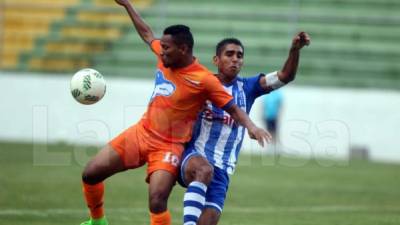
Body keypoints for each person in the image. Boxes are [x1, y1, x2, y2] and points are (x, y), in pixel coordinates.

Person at [79, 1, 272, 225]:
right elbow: (146, 33)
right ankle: (98, 222)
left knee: (157, 200)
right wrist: (127, 5)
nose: (161, 51)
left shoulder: (204, 80)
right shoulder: (165, 57)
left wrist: (252, 127)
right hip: (141, 133)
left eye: (167, 48)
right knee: (90, 174)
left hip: (168, 146)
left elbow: (233, 108)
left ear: (183, 49)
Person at [179, 33, 311, 225]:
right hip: (194, 156)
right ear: (216, 60)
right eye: (229, 54)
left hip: (222, 168)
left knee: (209, 220)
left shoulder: (248, 86)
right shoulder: (202, 84)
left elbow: (285, 76)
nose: (235, 59)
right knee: (202, 170)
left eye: (239, 55)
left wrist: (294, 50)